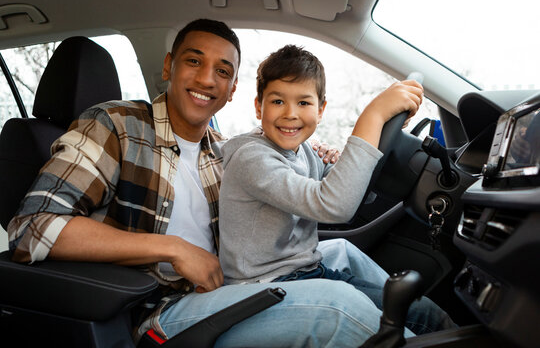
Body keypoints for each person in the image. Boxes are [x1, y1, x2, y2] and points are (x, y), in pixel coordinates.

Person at [7, 18, 407, 347]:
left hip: (227, 291)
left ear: (232, 90)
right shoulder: (115, 125)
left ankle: (435, 328)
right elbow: (34, 227)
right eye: (193, 61)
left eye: (222, 71)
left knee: (339, 253)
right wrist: (173, 249)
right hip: (160, 309)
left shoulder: (224, 149)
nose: (207, 79)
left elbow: (277, 175)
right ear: (168, 68)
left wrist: (316, 156)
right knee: (334, 306)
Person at [218, 45, 455, 334]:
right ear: (259, 107)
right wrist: (372, 117)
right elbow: (333, 205)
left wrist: (373, 137)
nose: (290, 114)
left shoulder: (303, 150)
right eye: (278, 101)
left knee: (420, 310)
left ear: (321, 110)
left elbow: (345, 185)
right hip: (263, 287)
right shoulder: (251, 158)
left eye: (303, 103)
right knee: (396, 325)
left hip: (301, 273)